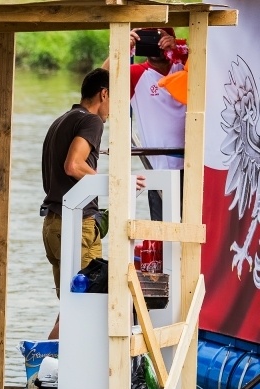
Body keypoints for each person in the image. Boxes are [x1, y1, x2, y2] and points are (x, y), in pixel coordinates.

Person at [40, 68, 144, 339]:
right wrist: (119, 183)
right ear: (104, 94)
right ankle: (54, 374)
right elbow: (74, 165)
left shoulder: (63, 120)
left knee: (71, 309)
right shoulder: (92, 122)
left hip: (53, 224)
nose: (116, 108)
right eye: (116, 99)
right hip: (76, 225)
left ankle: (45, 371)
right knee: (86, 305)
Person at [103, 27, 187, 221]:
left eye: (161, 38)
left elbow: (213, 66)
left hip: (197, 166)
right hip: (160, 169)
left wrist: (180, 48)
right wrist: (119, 50)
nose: (156, 44)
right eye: (148, 39)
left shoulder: (187, 66)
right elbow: (97, 84)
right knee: (163, 237)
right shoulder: (135, 73)